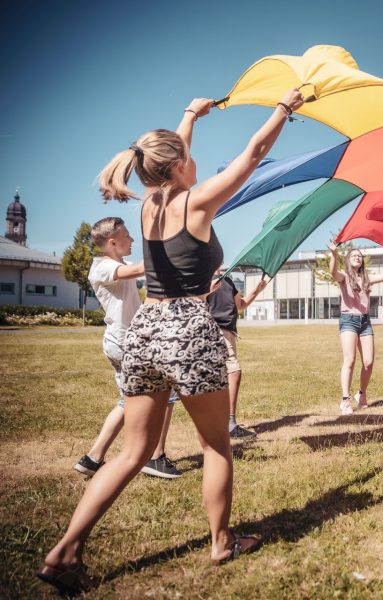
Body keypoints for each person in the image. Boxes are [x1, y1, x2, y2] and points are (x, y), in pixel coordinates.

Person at [36, 87, 305, 595]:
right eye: (187, 156)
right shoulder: (196, 202)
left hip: (145, 331)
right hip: (186, 328)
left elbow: (164, 161)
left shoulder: (149, 204)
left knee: (132, 453)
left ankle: (64, 552)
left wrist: (189, 116)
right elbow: (252, 154)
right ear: (180, 166)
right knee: (216, 444)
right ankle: (221, 543)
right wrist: (284, 109)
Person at [74, 217, 182, 480]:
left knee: (128, 401)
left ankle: (93, 458)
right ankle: (153, 457)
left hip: (127, 341)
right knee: (163, 392)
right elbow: (138, 270)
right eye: (127, 236)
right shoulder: (102, 267)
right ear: (113, 242)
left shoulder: (117, 265)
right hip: (124, 343)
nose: (132, 239)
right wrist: (169, 245)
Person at [328, 243, 383, 415]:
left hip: (365, 321)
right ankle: (345, 400)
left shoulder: (366, 278)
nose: (357, 257)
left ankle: (361, 394)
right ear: (348, 260)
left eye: (360, 256)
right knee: (350, 360)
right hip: (348, 320)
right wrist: (334, 255)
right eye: (354, 255)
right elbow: (333, 272)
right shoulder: (344, 277)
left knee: (368, 362)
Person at [207, 270, 270, 439]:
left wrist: (257, 290)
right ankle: (229, 424)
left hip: (229, 333)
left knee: (219, 378)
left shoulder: (228, 281)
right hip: (213, 331)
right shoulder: (202, 279)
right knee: (234, 371)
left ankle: (218, 423)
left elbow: (240, 304)